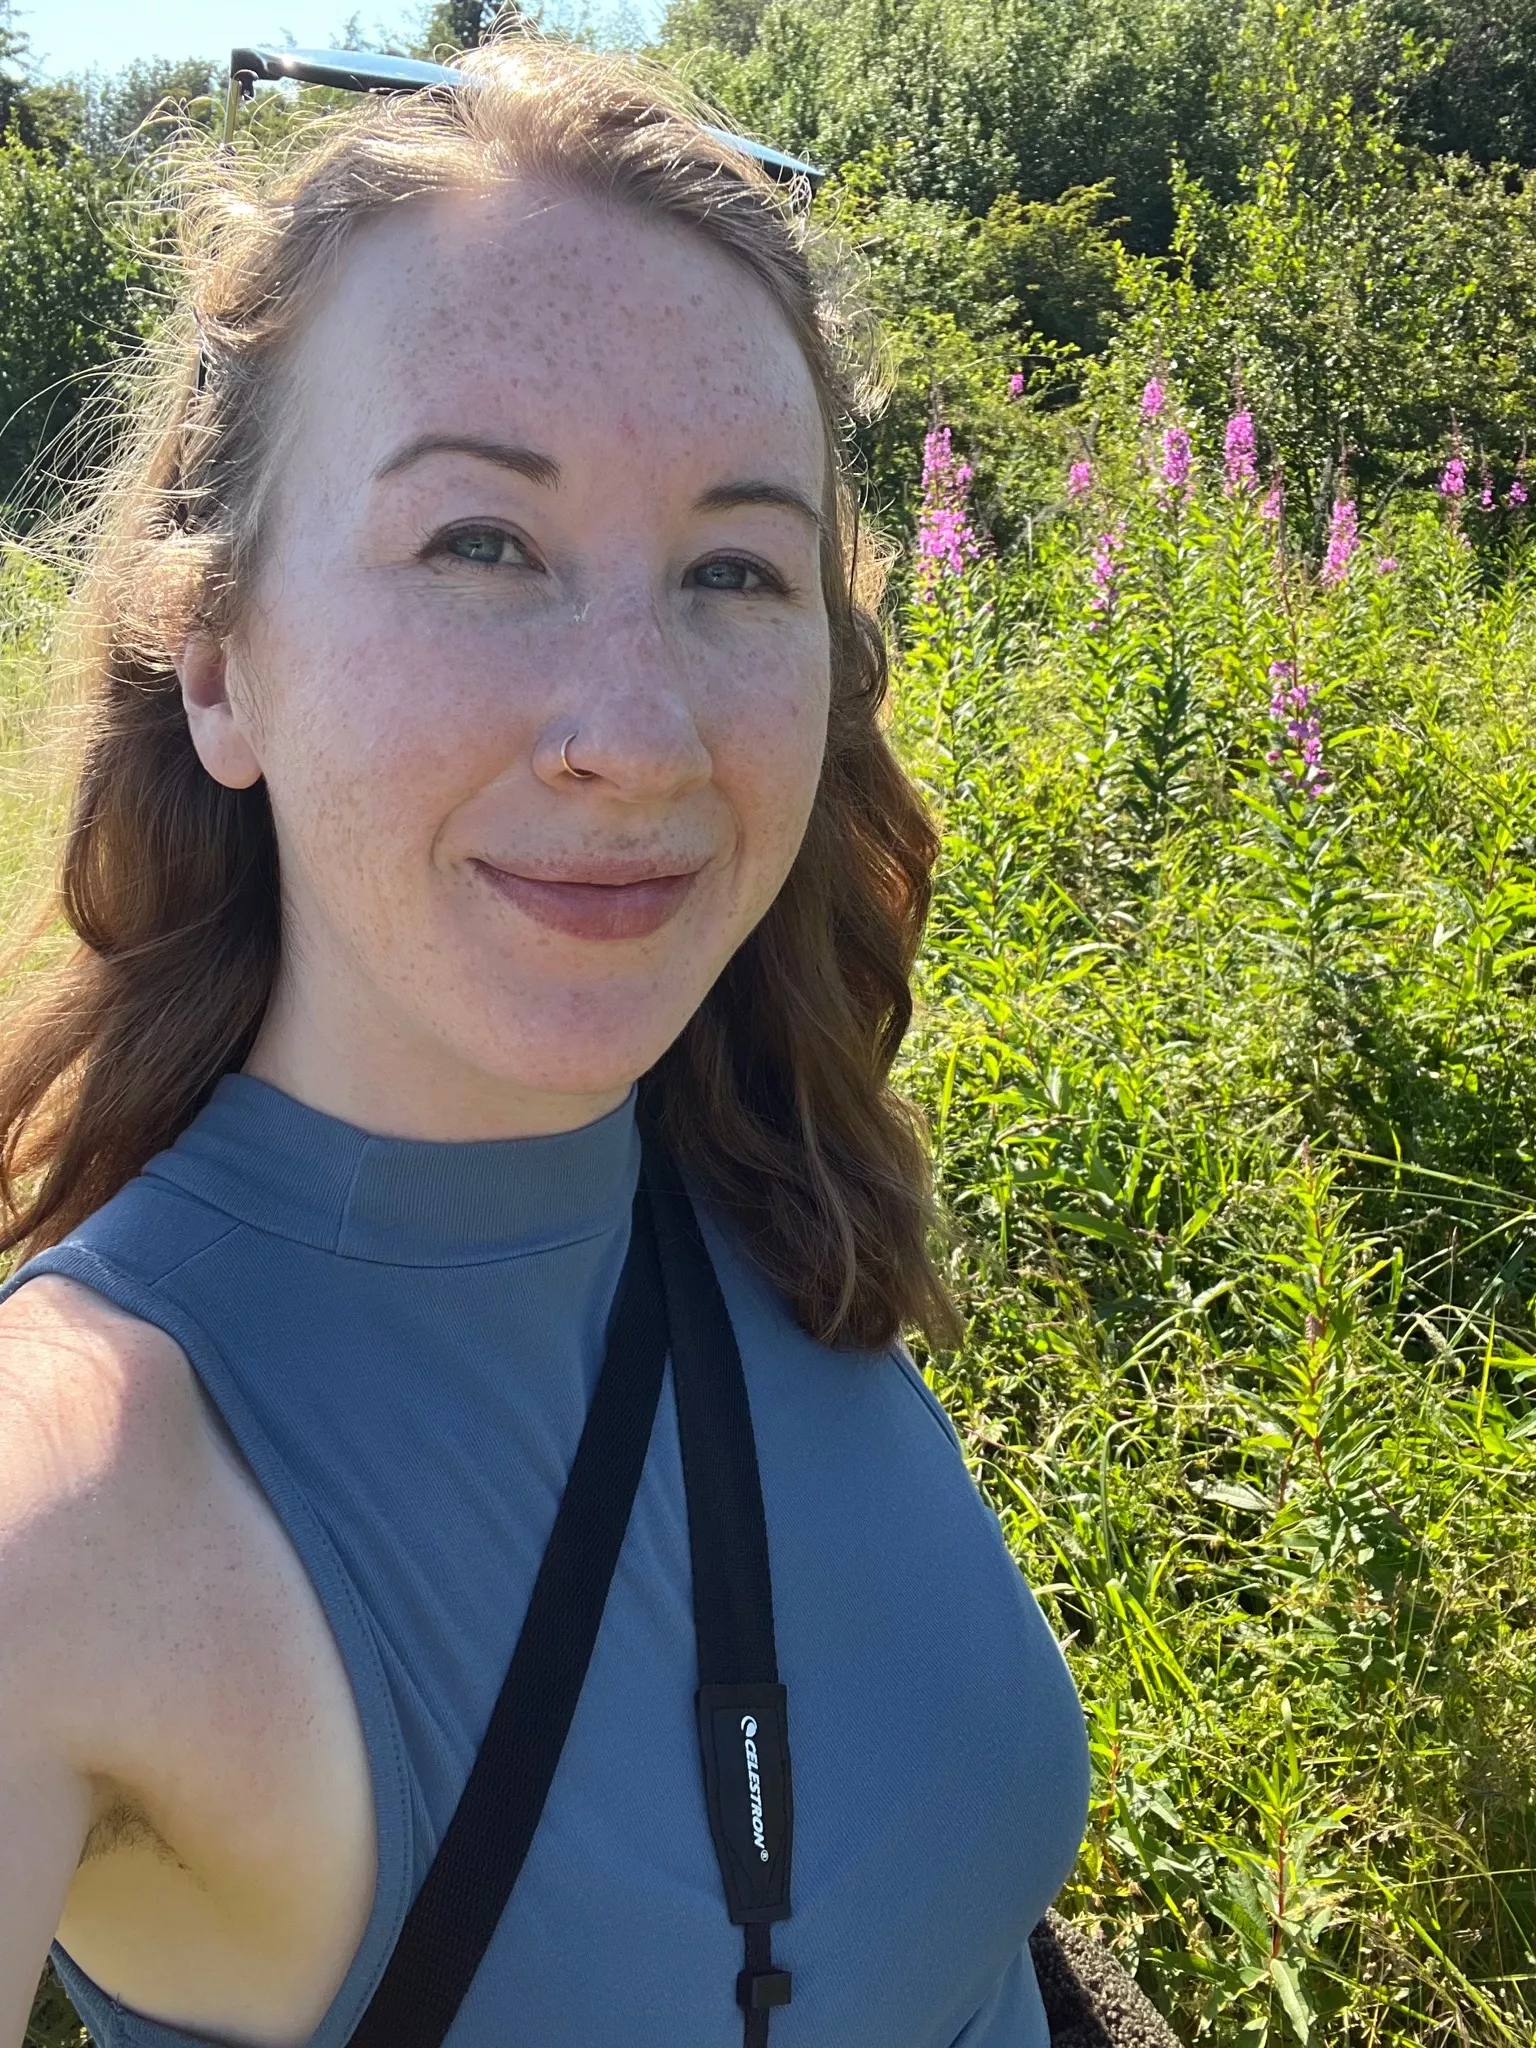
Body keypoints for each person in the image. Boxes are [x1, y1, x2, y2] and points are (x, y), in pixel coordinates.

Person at [0, 32, 1088, 2048]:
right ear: (219, 663)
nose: (640, 735)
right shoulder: (73, 1502)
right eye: (481, 543)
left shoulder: (766, 1178)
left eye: (734, 569)